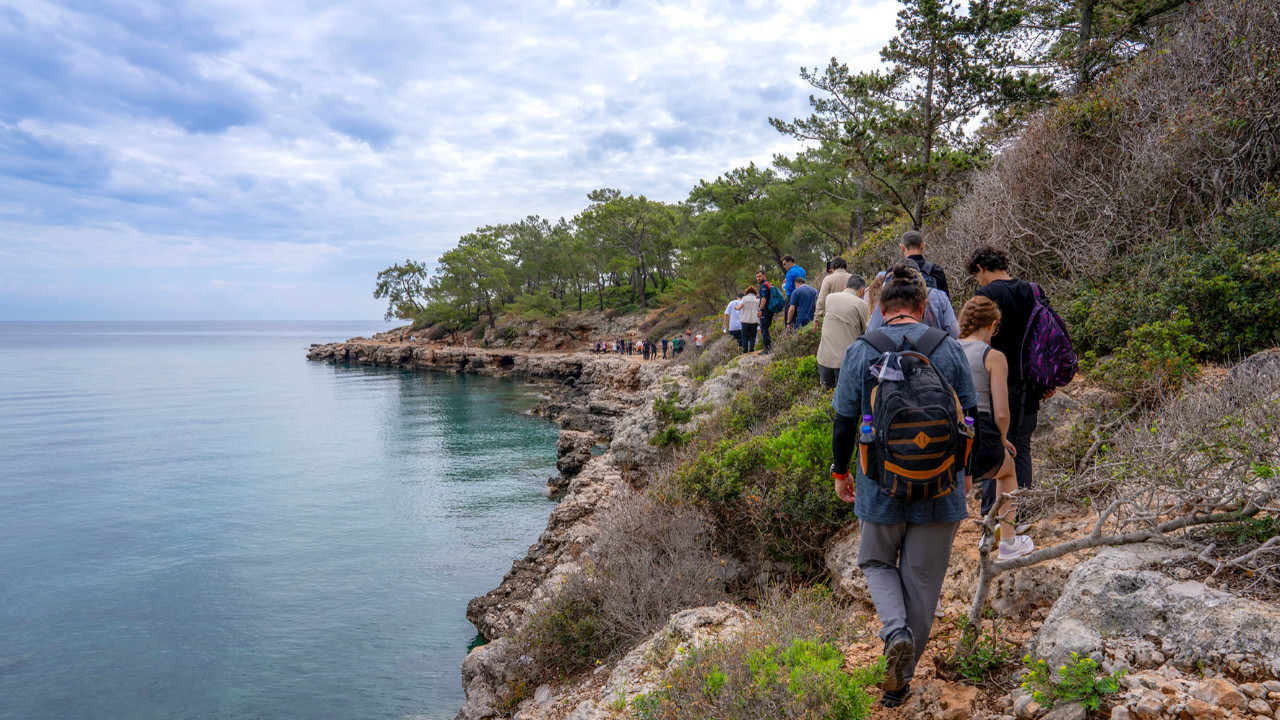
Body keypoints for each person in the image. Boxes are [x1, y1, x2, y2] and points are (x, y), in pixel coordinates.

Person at [829, 262, 978, 708]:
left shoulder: (862, 349)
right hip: (941, 487)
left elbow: (843, 421)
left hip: (880, 485)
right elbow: (971, 418)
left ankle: (894, 632)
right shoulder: (948, 348)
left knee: (875, 562)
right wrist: (965, 475)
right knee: (923, 582)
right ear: (923, 304)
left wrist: (841, 472)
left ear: (879, 306)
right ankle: (900, 681)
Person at [967, 245, 1046, 518]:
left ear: (980, 268)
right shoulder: (1032, 290)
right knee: (1022, 448)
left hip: (998, 381)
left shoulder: (986, 295)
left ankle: (993, 515)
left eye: (976, 275)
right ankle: (1022, 514)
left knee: (996, 450)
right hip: (1030, 382)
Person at [958, 296, 1035, 560]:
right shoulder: (994, 357)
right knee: (1007, 468)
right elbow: (1001, 412)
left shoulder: (949, 349)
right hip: (981, 429)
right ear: (992, 325)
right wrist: (1002, 439)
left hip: (950, 429)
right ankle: (1009, 542)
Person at [816, 274, 870, 389]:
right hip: (845, 362)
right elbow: (869, 330)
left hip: (824, 358)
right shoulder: (861, 304)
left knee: (826, 395)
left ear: (845, 287)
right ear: (862, 291)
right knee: (843, 401)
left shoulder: (830, 298)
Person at [866, 274, 959, 339]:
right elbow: (954, 331)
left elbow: (870, 331)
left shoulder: (863, 348)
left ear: (882, 310)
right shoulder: (947, 346)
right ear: (921, 308)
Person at [900, 230, 949, 297]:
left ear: (902, 247)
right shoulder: (936, 271)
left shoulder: (893, 272)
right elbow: (945, 301)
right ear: (922, 246)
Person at [755, 271, 779, 353]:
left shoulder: (764, 286)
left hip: (765, 310)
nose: (758, 278)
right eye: (757, 277)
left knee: (764, 329)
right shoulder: (768, 284)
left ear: (764, 276)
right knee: (765, 329)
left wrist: (760, 310)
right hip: (769, 310)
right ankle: (769, 347)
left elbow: (764, 299)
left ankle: (767, 349)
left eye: (760, 276)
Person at [737, 285, 761, 352]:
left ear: (747, 292)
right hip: (754, 320)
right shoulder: (757, 300)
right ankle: (751, 349)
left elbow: (739, 308)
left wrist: (735, 307)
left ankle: (745, 350)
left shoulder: (744, 298)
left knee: (744, 336)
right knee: (752, 336)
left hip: (745, 320)